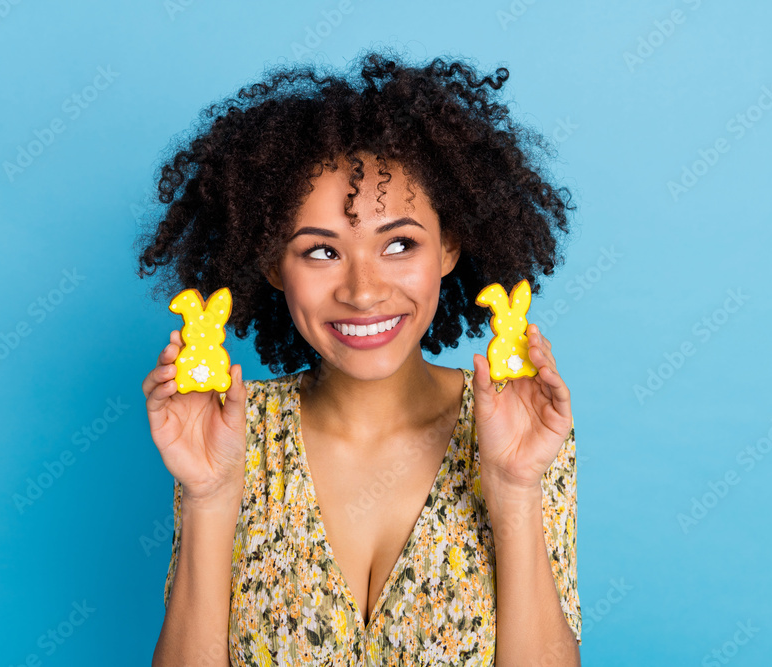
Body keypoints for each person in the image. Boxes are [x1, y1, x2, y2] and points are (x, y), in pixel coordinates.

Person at [136, 48, 582, 666]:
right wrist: (208, 496)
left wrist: (516, 488)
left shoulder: (518, 427)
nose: (363, 291)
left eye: (398, 244)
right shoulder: (227, 433)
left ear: (449, 247)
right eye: (321, 252)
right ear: (272, 265)